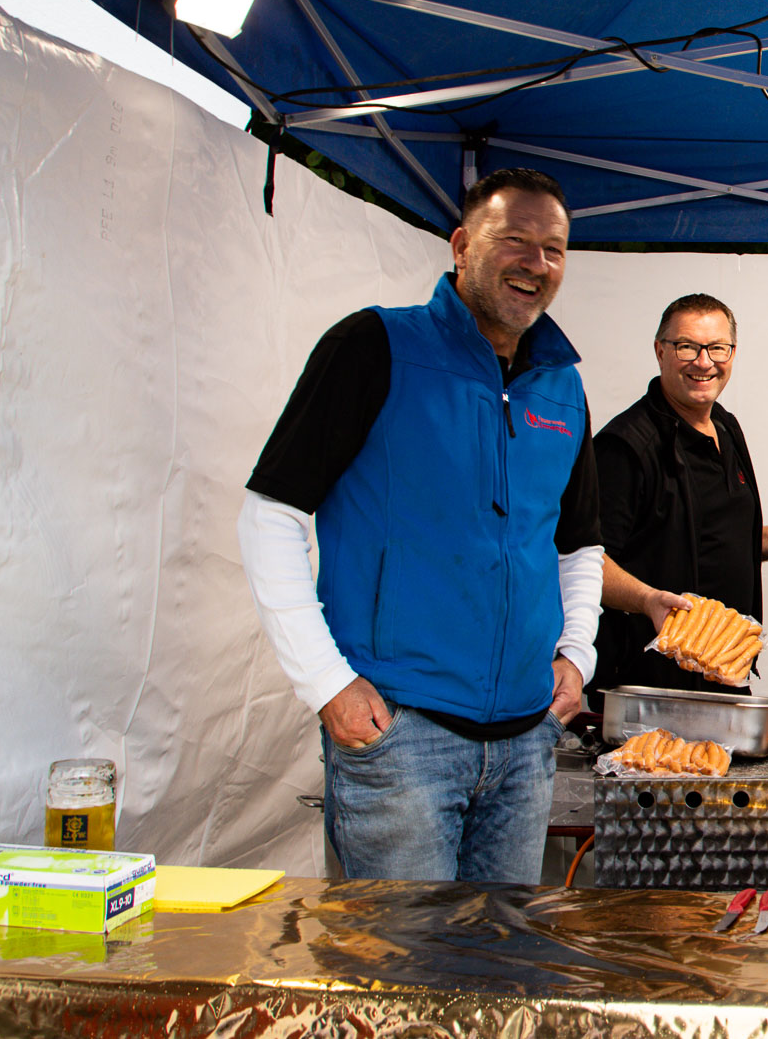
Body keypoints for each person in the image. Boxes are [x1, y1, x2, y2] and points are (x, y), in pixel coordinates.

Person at [238, 168, 602, 885]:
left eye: (554, 249)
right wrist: (326, 682)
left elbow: (578, 540)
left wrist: (578, 653)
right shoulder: (375, 345)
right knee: (401, 980)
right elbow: (270, 513)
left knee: (502, 976)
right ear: (462, 245)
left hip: (526, 744)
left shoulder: (563, 385)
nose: (536, 263)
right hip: (402, 737)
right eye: (516, 241)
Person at [590, 293, 768, 701]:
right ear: (660, 351)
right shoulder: (625, 447)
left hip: (726, 671)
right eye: (687, 346)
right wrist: (647, 599)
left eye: (718, 348)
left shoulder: (725, 425)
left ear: (732, 353)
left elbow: (707, 539)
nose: (704, 362)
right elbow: (585, 559)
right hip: (648, 684)